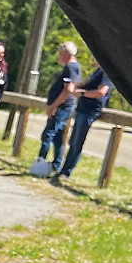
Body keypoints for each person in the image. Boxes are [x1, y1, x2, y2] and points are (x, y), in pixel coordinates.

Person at [60, 63, 113, 180]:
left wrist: (82, 93)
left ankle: (66, 173)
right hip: (82, 109)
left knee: (77, 143)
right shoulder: (98, 71)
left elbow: (101, 92)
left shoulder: (107, 74)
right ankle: (63, 170)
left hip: (90, 110)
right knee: (72, 141)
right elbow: (89, 87)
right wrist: (77, 87)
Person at [37, 41, 82, 175]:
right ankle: (56, 165)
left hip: (62, 106)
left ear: (66, 53)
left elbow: (68, 89)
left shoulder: (71, 68)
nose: (58, 56)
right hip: (65, 106)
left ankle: (40, 164)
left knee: (48, 135)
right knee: (58, 138)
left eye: (60, 53)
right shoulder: (74, 67)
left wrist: (54, 105)